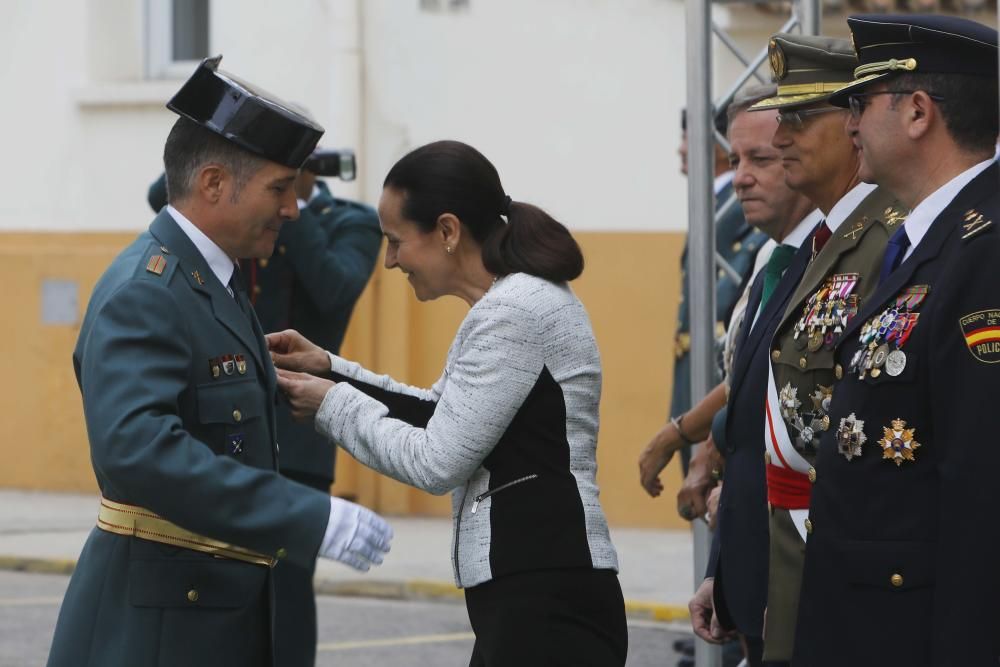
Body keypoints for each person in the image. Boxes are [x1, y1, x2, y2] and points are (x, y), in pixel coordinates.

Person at [46, 56, 392, 667]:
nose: (292, 210)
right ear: (212, 184)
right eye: (279, 189)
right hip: (156, 631)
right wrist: (306, 514)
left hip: (207, 612)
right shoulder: (147, 290)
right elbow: (139, 451)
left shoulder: (212, 279)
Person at [271, 139, 627, 666]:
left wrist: (331, 405)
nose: (390, 261)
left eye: (395, 241)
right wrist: (328, 368)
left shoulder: (514, 312)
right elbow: (440, 413)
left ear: (446, 231)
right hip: (532, 587)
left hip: (545, 596)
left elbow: (436, 459)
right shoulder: (507, 303)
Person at [793, 15, 1000, 666]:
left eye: (858, 102)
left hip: (917, 630)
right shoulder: (921, 244)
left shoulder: (984, 252)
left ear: (916, 111)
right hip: (868, 618)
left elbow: (983, 492)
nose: (849, 124)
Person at [148, 149, 382, 667]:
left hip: (296, 428)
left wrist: (287, 199)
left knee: (287, 591)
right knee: (221, 584)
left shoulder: (348, 221)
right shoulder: (239, 210)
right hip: (224, 422)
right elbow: (164, 196)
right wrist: (238, 161)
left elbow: (335, 288)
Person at [744, 33, 903, 663]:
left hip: (849, 556)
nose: (782, 137)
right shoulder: (829, 240)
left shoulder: (889, 237)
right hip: (799, 555)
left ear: (855, 124)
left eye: (800, 118)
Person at [687, 85, 822, 667]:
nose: (739, 178)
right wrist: (723, 566)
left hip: (800, 576)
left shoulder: (835, 262)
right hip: (751, 566)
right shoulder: (773, 260)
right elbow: (747, 426)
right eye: (735, 159)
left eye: (762, 159)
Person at [670, 109, 769, 479]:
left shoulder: (736, 201)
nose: (681, 150)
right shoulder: (711, 202)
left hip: (720, 366)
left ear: (716, 144)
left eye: (688, 138)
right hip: (695, 362)